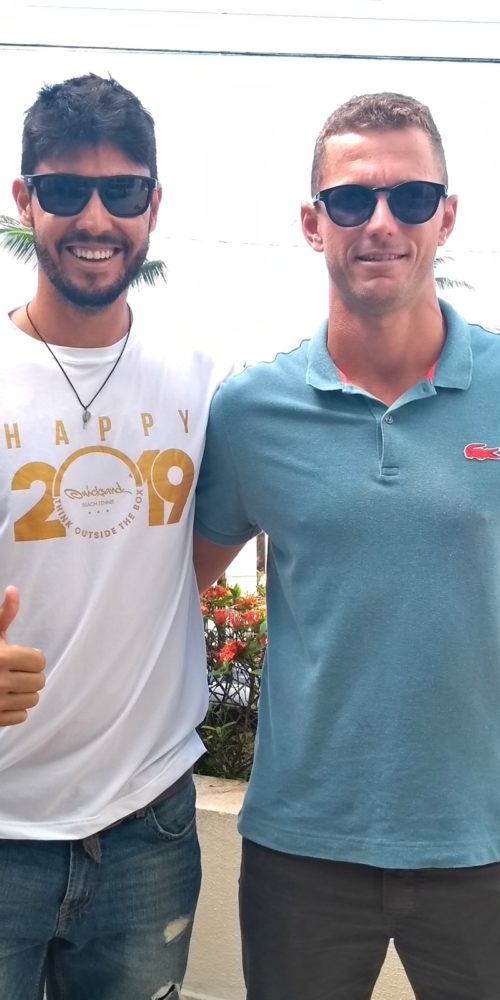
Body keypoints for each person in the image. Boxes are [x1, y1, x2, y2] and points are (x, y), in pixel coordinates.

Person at [193, 91, 500, 999]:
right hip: (303, 850)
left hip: (484, 844)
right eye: (352, 199)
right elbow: (169, 594)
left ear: (447, 216)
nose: (381, 223)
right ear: (312, 221)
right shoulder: (250, 413)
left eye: (412, 198)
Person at [0, 73, 227, 1000]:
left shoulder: (202, 384)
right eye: (65, 189)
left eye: (123, 191)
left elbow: (204, 557)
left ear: (153, 207)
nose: (95, 218)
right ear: (26, 201)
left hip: (148, 830)